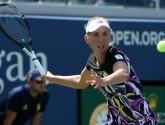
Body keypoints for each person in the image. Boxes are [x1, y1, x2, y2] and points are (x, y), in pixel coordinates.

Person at [42, 16, 157, 125]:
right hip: (116, 120)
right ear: (87, 39)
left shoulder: (116, 56)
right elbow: (80, 82)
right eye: (96, 35)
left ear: (110, 36)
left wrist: (104, 81)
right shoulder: (93, 61)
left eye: (105, 34)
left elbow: (123, 73)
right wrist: (53, 79)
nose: (101, 39)